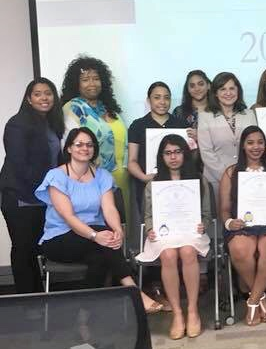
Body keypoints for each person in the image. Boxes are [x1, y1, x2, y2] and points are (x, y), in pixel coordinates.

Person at [35, 127, 162, 312]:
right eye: (79, 144)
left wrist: (118, 230)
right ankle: (134, 291)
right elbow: (69, 217)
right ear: (69, 148)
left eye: (89, 145)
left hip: (95, 240)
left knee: (100, 258)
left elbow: (109, 208)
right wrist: (96, 235)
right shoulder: (56, 176)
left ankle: (84, 317)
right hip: (60, 239)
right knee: (104, 242)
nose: (84, 148)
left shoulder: (102, 175)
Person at [136, 134, 211, 340]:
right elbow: (149, 215)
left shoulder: (199, 179)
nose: (173, 157)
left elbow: (205, 213)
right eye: (168, 153)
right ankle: (177, 313)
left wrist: (202, 224)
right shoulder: (154, 184)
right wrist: (150, 229)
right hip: (164, 234)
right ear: (162, 157)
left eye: (178, 152)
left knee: (187, 252)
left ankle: (193, 310)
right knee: (168, 255)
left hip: (191, 232)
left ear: (185, 154)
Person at [220, 126, 266, 326]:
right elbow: (225, 209)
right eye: (250, 142)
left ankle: (252, 300)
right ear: (243, 146)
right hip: (243, 225)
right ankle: (261, 298)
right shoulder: (231, 172)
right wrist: (229, 222)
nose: (256, 147)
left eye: (260, 142)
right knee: (239, 249)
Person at [0, 78, 64, 293]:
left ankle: (38, 294)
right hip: (20, 196)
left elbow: (57, 160)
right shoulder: (17, 123)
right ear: (29, 98)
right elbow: (19, 164)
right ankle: (27, 299)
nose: (44, 98)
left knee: (36, 248)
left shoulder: (51, 123)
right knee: (23, 248)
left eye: (48, 93)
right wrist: (50, 189)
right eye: (38, 94)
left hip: (43, 197)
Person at [61, 56, 130, 217]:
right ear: (76, 83)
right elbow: (70, 148)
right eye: (85, 79)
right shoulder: (72, 109)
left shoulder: (108, 108)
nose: (92, 83)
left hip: (122, 180)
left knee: (121, 228)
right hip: (92, 181)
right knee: (100, 229)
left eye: (96, 79)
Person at [127, 82, 190, 211]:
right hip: (147, 186)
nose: (162, 101)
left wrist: (195, 139)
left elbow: (189, 157)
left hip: (179, 184)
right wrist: (145, 178)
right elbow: (132, 161)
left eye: (166, 97)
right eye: (157, 97)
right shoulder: (137, 126)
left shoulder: (181, 124)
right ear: (148, 100)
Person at [198, 72, 257, 192]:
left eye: (232, 88)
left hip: (247, 177)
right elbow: (206, 152)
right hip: (216, 180)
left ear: (238, 91)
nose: (228, 93)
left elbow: (254, 146)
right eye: (223, 89)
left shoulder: (249, 114)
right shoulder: (205, 117)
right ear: (215, 93)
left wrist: (244, 175)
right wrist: (227, 177)